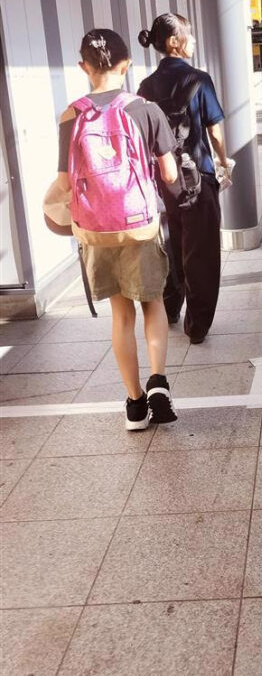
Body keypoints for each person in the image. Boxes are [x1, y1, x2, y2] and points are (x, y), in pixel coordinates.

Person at [56, 29, 179, 431]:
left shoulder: (71, 116)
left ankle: (134, 405)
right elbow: (169, 174)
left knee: (121, 314)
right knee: (153, 303)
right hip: (139, 225)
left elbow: (64, 183)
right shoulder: (145, 109)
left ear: (83, 67)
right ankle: (158, 381)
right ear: (127, 65)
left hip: (96, 230)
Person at [137, 13, 229, 344]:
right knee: (201, 252)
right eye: (189, 34)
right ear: (174, 41)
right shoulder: (199, 80)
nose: (193, 40)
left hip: (165, 182)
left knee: (172, 245)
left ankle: (171, 308)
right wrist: (223, 162)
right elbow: (214, 131)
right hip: (198, 179)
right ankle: (197, 325)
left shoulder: (146, 87)